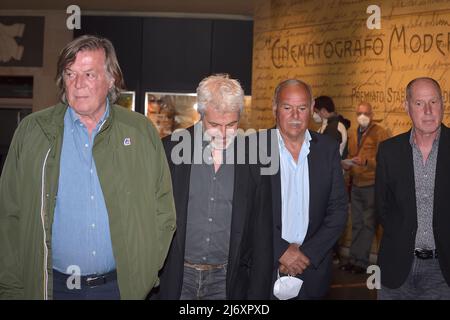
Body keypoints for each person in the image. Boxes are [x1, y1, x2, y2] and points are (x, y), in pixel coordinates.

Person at [0, 35, 176, 300]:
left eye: (89, 74)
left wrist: (144, 270)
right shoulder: (33, 132)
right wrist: (11, 288)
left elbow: (163, 210)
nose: (77, 84)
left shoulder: (139, 132)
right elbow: (8, 215)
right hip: (50, 287)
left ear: (111, 78)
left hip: (117, 289)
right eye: (70, 74)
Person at [155, 74, 273, 300]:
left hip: (228, 279)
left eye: (232, 124)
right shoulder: (169, 151)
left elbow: (261, 230)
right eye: (215, 125)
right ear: (200, 113)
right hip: (177, 276)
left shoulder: (255, 159)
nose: (224, 133)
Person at [267, 79, 348, 299]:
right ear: (275, 108)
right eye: (287, 107)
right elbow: (247, 213)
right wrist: (281, 251)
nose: (295, 115)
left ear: (312, 109)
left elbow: (338, 211)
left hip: (312, 270)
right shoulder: (254, 149)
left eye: (302, 108)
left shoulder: (327, 149)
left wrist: (306, 254)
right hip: (266, 270)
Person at [376, 77, 450, 299]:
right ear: (406, 107)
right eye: (419, 103)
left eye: (434, 102)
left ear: (443, 103)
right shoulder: (389, 151)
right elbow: (382, 208)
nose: (428, 110)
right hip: (396, 267)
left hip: (443, 272)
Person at [340, 102, 388, 274]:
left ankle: (361, 262)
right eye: (359, 113)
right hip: (356, 184)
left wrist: (367, 162)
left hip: (371, 184)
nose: (362, 116)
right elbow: (351, 156)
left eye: (366, 113)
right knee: (356, 224)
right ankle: (353, 259)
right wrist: (347, 164)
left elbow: (385, 162)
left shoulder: (379, 132)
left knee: (368, 225)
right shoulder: (353, 132)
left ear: (372, 114)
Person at [314, 95, 350, 265]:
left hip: (330, 182)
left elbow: (326, 157)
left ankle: (331, 254)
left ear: (321, 111)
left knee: (329, 219)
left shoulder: (334, 128)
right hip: (323, 181)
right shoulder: (326, 126)